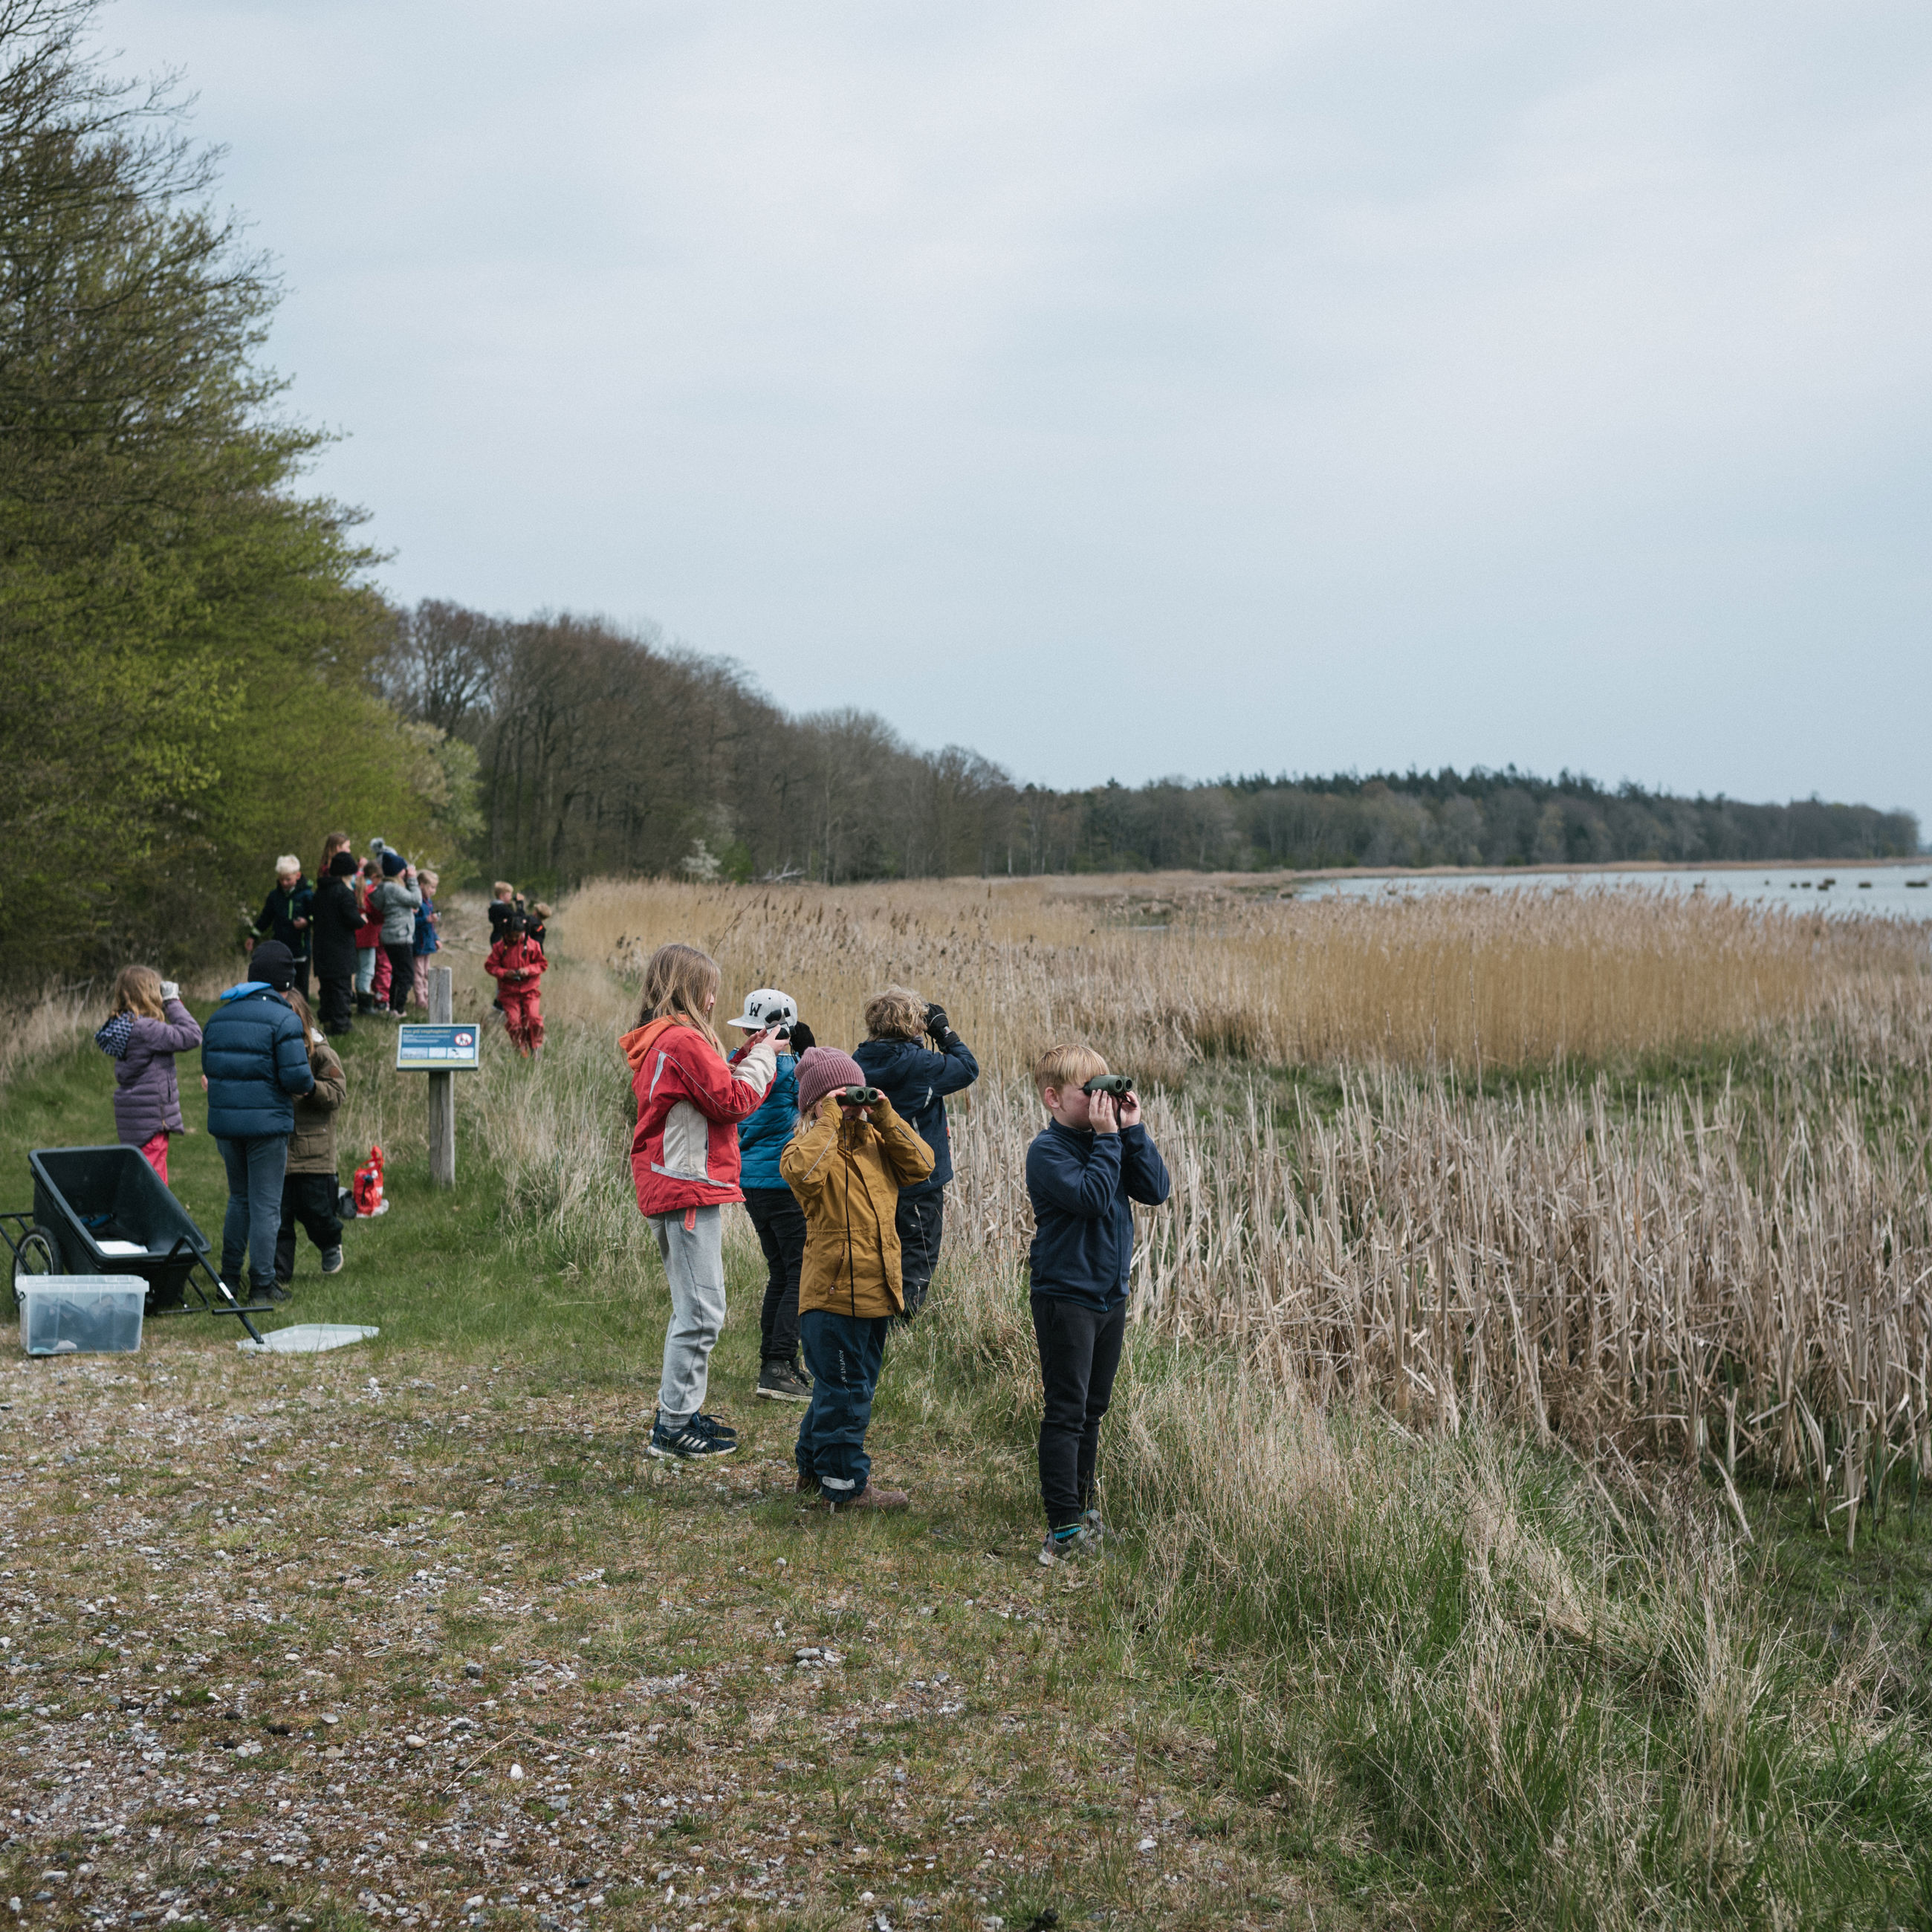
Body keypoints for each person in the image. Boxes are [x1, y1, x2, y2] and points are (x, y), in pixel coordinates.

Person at [618, 944, 778, 1461]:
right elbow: (732, 1101)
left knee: (699, 1306)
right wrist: (764, 1059)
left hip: (679, 1182)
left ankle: (681, 1412)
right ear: (687, 988)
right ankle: (673, 1425)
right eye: (708, 988)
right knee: (703, 1310)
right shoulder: (682, 1040)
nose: (714, 999)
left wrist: (746, 1055)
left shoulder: (670, 1040)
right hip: (685, 1185)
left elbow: (710, 1087)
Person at [1025, 1046, 1170, 1567]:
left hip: (1109, 1296)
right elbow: (1090, 1197)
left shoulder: (1107, 1138)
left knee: (1093, 1411)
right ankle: (1062, 1528)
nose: (1100, 1102)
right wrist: (1110, 1140)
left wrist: (1132, 1130)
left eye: (1104, 1090)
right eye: (1089, 1093)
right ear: (1053, 1098)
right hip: (1066, 1295)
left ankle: (1083, 1514)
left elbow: (1155, 1190)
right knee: (1066, 1412)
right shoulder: (1047, 1153)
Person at [781, 1047, 934, 1511]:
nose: (851, 1104)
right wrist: (828, 1116)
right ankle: (846, 1487)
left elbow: (922, 1165)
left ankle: (811, 1468)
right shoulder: (807, 1147)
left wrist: (884, 1115)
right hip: (831, 1297)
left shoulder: (876, 1144)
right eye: (839, 1096)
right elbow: (803, 1173)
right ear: (816, 1106)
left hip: (876, 1293)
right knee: (846, 1396)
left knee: (844, 1388)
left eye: (854, 1092)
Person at [852, 985, 979, 1319]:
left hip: (873, 1172)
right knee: (918, 1254)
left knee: (881, 1249)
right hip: (919, 1175)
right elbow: (968, 1069)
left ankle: (874, 1316)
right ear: (913, 1025)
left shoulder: (857, 1060)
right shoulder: (921, 1064)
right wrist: (945, 1031)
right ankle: (901, 1327)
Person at [201, 939, 315, 1303]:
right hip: (267, 1127)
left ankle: (228, 1281)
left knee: (239, 1200)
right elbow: (298, 1079)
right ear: (286, 983)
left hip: (227, 1125)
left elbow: (209, 1068)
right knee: (266, 1205)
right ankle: (263, 1285)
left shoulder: (219, 1017)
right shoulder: (284, 1019)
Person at [726, 988, 817, 1401]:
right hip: (782, 1184)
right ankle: (778, 1365)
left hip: (751, 1184)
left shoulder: (739, 1066)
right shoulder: (787, 1071)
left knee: (781, 1273)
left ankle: (776, 1361)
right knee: (798, 1274)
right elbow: (816, 1102)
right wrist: (807, 1053)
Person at [94, 967, 202, 1184]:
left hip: (136, 1119)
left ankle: (151, 1215)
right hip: (152, 1120)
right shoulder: (146, 1029)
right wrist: (172, 1001)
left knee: (147, 1177)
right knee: (151, 1186)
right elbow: (192, 1035)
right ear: (150, 993)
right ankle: (148, 1217)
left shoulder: (124, 1025)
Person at [273, 990, 347, 1289]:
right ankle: (279, 1273)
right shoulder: (271, 1052)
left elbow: (337, 1093)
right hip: (279, 1149)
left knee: (315, 1210)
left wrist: (312, 1090)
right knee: (279, 1218)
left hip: (314, 1151)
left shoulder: (320, 1052)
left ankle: (330, 1242)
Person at [248, 856, 314, 1002]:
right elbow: (265, 918)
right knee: (280, 987)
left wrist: (306, 922)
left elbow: (317, 916)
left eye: (288, 879)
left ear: (297, 876)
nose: (284, 883)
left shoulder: (308, 896)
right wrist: (253, 936)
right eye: (281, 879)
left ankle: (302, 1018)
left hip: (300, 950)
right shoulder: (274, 896)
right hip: (280, 949)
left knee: (300, 989)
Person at [311, 850, 362, 1036]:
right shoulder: (344, 893)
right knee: (342, 989)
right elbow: (352, 919)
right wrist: (362, 919)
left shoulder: (320, 892)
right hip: (340, 950)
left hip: (322, 948)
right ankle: (341, 1025)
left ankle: (327, 1022)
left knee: (327, 988)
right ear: (348, 872)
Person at [366, 851, 422, 1019]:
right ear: (398, 871)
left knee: (398, 973)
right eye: (404, 869)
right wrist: (412, 879)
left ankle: (393, 1008)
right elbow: (416, 900)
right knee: (406, 975)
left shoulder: (384, 888)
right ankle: (398, 1009)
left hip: (392, 935)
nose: (406, 871)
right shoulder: (393, 888)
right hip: (399, 936)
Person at [484, 911, 548, 1054]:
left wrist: (528, 970)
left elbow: (542, 965)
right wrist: (504, 973)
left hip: (530, 990)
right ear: (505, 934)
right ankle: (521, 1049)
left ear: (523, 933)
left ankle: (536, 1048)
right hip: (508, 992)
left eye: (517, 936)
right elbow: (490, 966)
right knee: (514, 1023)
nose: (514, 939)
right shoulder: (499, 947)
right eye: (510, 936)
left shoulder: (533, 945)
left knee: (534, 1019)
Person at [353, 857, 383, 1014]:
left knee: (360, 969)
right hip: (368, 934)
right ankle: (364, 1006)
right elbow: (378, 913)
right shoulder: (371, 891)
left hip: (355, 934)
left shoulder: (355, 887)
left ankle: (360, 1000)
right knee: (367, 970)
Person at [410, 868, 441, 1008]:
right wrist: (426, 919)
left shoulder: (429, 902)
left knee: (427, 973)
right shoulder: (416, 902)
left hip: (428, 943)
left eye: (435, 888)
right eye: (431, 887)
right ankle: (421, 1000)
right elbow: (412, 922)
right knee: (419, 973)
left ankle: (428, 998)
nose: (433, 891)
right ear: (421, 884)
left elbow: (431, 926)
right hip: (418, 943)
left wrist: (436, 938)